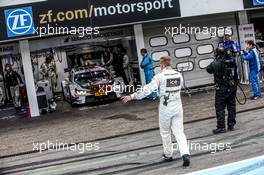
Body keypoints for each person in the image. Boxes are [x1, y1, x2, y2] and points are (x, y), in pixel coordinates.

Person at [122, 56, 190, 167]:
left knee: (165, 132)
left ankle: (168, 155)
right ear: (170, 63)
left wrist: (132, 96)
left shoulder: (159, 76)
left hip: (166, 108)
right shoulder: (178, 75)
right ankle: (185, 154)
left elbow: (147, 90)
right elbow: (181, 86)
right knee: (179, 132)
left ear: (162, 64)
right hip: (178, 107)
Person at [207, 48, 238, 134]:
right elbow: (236, 75)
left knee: (220, 108)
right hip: (232, 87)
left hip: (221, 89)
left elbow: (208, 69)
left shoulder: (215, 63)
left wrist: (215, 60)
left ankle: (221, 127)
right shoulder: (231, 61)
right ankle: (231, 125)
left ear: (216, 54)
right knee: (231, 106)